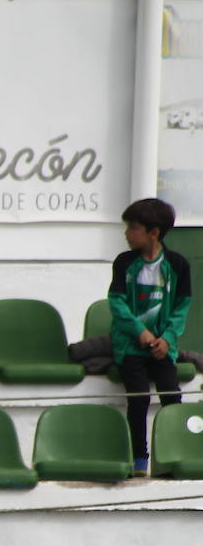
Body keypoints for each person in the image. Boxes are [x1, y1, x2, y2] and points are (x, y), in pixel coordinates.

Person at [109, 197, 192, 476]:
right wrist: (140, 333)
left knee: (171, 397)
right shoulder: (124, 263)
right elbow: (117, 302)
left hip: (162, 349)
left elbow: (181, 306)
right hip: (131, 348)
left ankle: (176, 452)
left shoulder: (178, 264)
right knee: (139, 399)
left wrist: (167, 338)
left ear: (153, 232)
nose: (126, 234)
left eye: (133, 228)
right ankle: (139, 459)